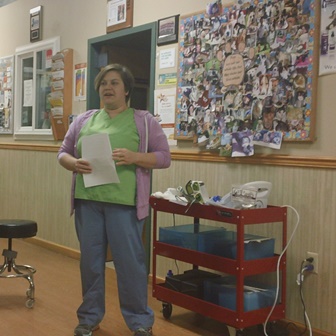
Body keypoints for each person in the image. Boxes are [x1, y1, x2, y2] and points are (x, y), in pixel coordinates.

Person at [58, 63, 171, 336]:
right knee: (91, 263)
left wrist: (136, 157)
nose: (108, 87)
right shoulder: (84, 120)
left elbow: (164, 157)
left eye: (115, 83)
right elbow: (63, 153)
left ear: (127, 89)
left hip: (125, 205)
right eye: (104, 83)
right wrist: (74, 163)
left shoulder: (144, 120)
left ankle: (140, 322)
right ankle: (89, 318)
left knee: (130, 264)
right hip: (88, 201)